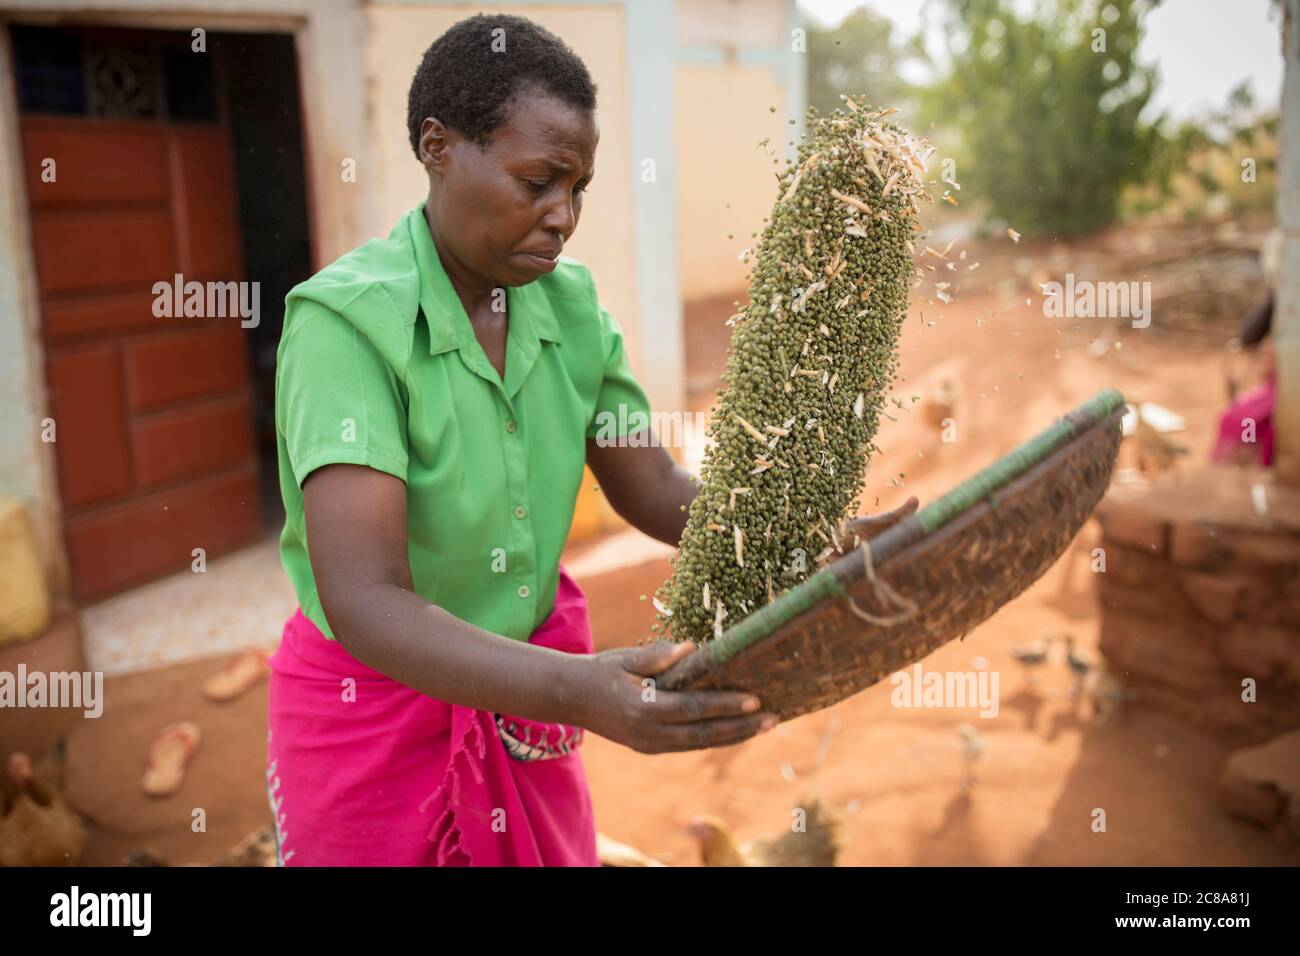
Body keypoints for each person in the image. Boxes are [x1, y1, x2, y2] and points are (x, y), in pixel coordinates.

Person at [265, 12, 915, 867]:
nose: (562, 215)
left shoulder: (568, 308)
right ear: (439, 146)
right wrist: (580, 690)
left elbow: (648, 483)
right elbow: (366, 598)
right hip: (376, 723)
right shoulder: (346, 325)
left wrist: (801, 542)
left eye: (579, 189)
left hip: (528, 710)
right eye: (540, 182)